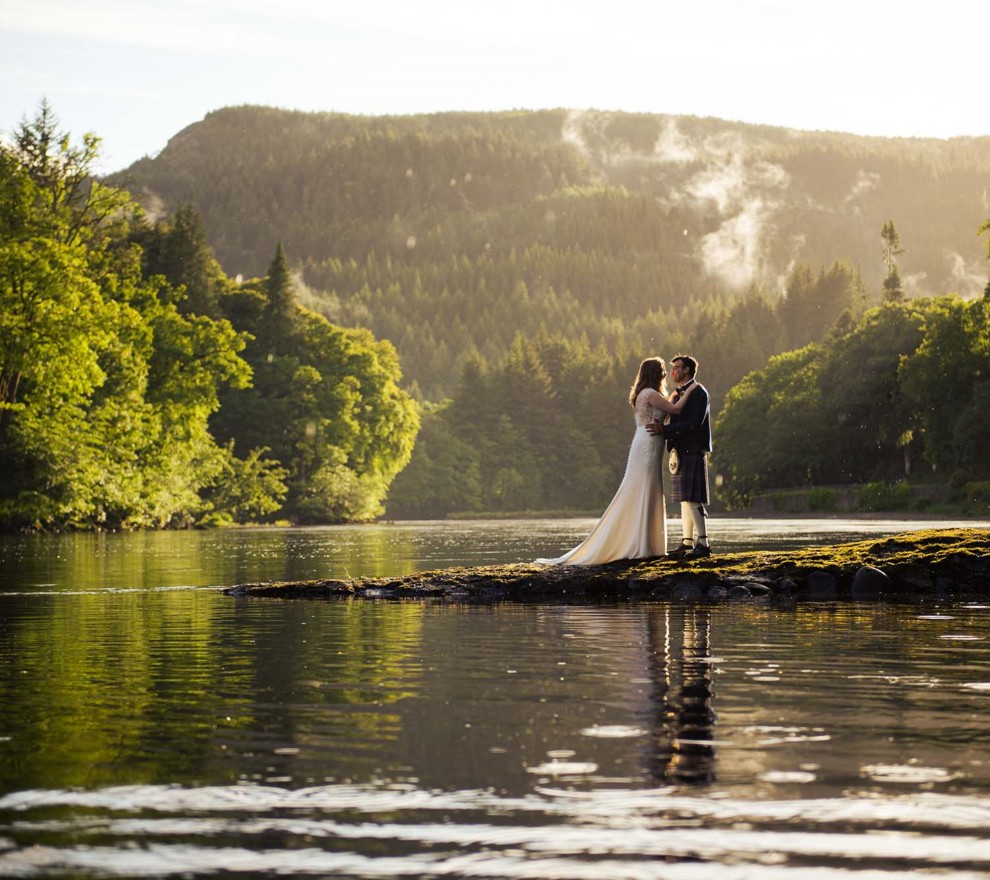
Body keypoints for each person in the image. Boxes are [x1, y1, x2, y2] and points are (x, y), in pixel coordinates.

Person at [537, 357, 695, 565]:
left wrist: (676, 394)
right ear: (654, 373)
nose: (666, 374)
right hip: (647, 444)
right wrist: (691, 390)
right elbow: (674, 410)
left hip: (649, 442)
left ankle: (648, 543)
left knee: (650, 489)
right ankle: (643, 545)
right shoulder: (650, 394)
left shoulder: (647, 394)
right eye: (663, 370)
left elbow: (666, 407)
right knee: (645, 488)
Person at [646, 354, 712, 558]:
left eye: (676, 368)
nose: (672, 371)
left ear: (687, 370)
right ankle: (687, 543)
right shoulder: (679, 393)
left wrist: (664, 431)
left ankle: (704, 544)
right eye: (672, 368)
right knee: (685, 499)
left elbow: (694, 423)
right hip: (680, 452)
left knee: (693, 498)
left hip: (692, 449)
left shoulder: (699, 392)